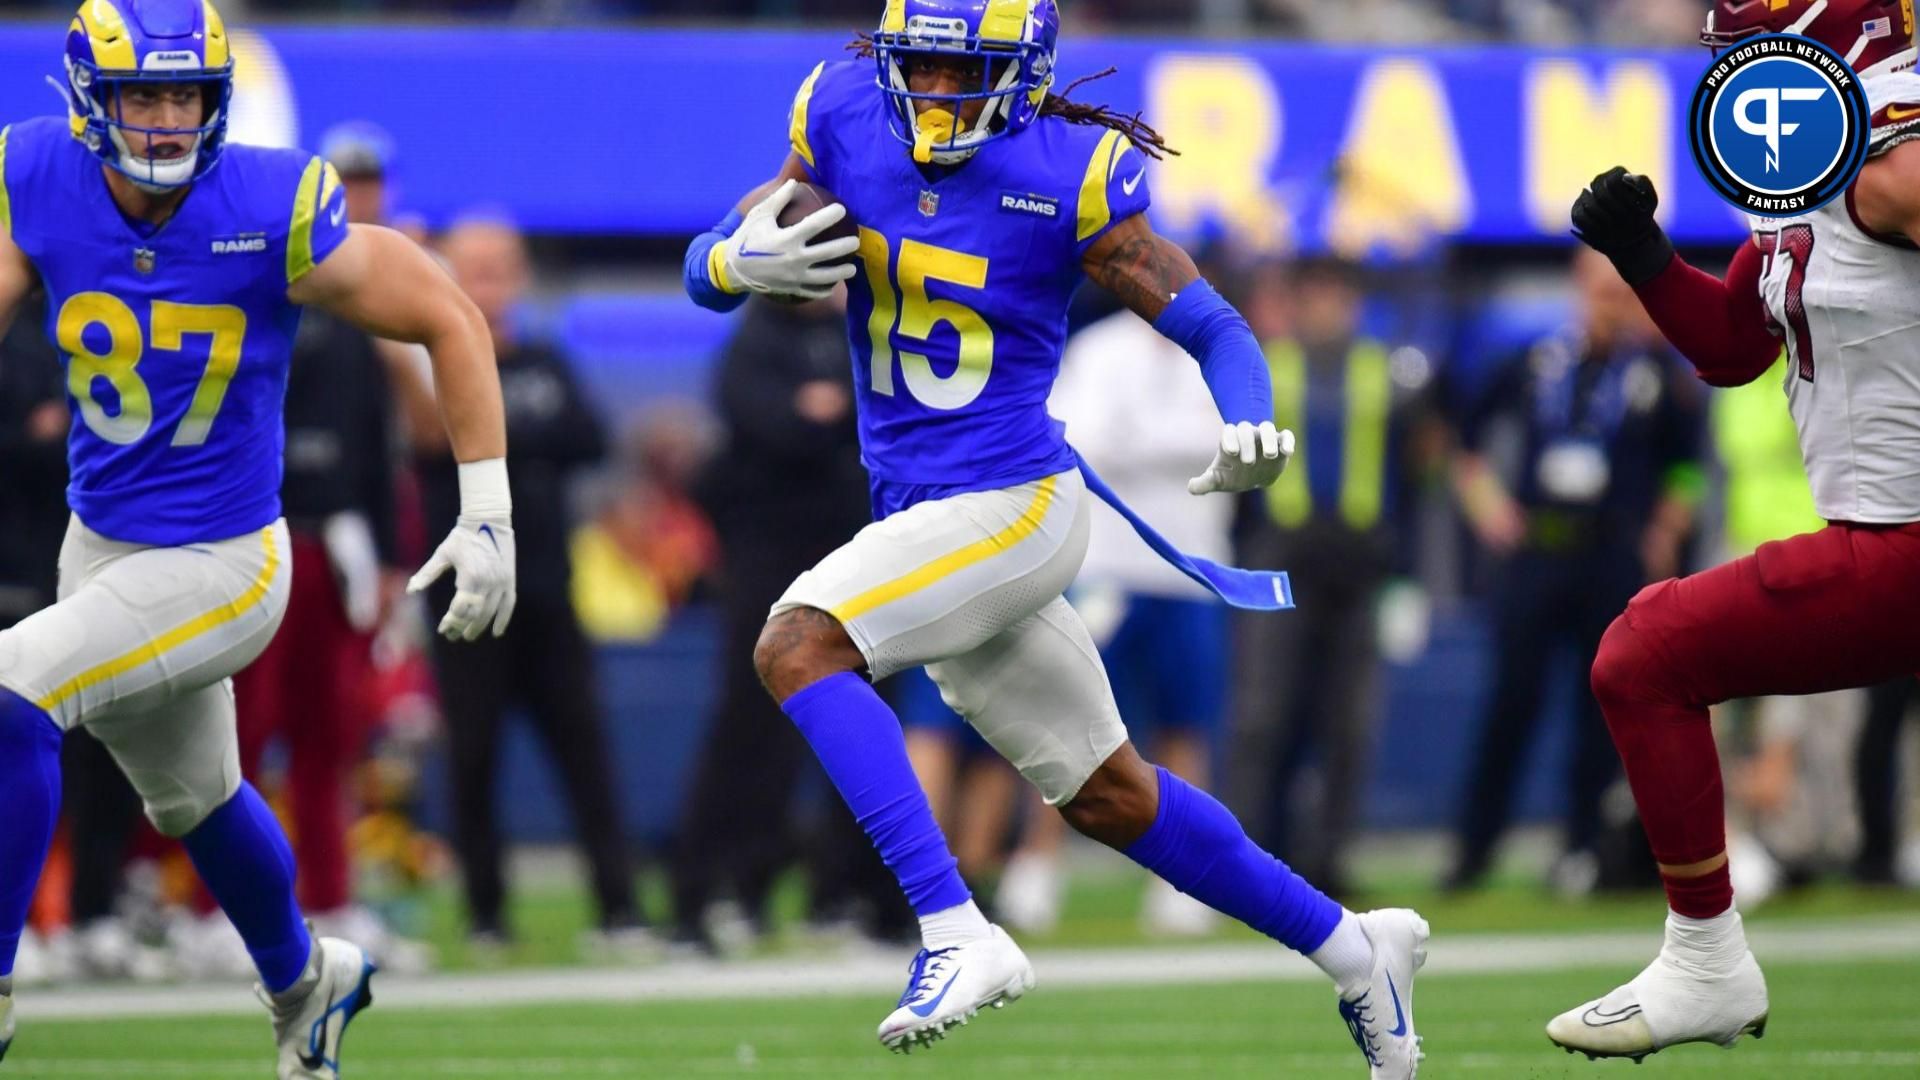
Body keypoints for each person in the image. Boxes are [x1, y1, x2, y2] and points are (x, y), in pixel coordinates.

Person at [683, 3, 1428, 1073]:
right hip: (923, 510)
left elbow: (1210, 321)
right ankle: (1358, 950)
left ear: (1021, 74)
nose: (934, 89)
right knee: (1109, 795)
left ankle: (955, 929)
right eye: (919, 62)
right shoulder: (844, 110)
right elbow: (708, 257)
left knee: (797, 643)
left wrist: (1251, 412)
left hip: (1015, 503)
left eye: (962, 66)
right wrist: (727, 268)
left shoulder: (1067, 171)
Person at [0, 2, 517, 1076]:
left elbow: (447, 316)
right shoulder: (35, 175)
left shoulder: (267, 201)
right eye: (142, 91)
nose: (165, 116)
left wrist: (485, 509)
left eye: (184, 92)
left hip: (225, 563)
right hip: (97, 545)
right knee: (197, 799)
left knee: (12, 692)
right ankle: (305, 983)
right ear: (89, 96)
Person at [1548, 0, 1920, 1060]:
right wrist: (1644, 256)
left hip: (1903, 542)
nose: (1728, 61)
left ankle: (1707, 962)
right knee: (1645, 655)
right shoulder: (1826, 163)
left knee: (1645, 653)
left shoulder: (1892, 161)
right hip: (1885, 542)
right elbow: (1734, 349)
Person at [1446, 247, 1705, 895]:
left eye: (1621, 292)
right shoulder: (1536, 363)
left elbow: (1688, 465)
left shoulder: (1652, 373)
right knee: (1512, 702)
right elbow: (1463, 443)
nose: (1609, 305)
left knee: (1604, 712)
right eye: (1599, 290)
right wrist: (1489, 511)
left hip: (1612, 554)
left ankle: (1583, 849)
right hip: (1539, 550)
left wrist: (1665, 530)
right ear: (1577, 288)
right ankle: (1474, 850)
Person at [421, 215, 648, 956]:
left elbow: (591, 437)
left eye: (498, 269)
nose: (486, 286)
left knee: (586, 752)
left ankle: (618, 908)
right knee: (473, 757)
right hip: (464, 599)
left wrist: (508, 436)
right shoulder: (430, 368)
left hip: (548, 588)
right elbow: (424, 445)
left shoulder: (545, 360)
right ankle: (486, 914)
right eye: (471, 270)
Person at [672, 291, 908, 951]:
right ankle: (712, 891)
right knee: (750, 730)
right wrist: (823, 419)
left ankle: (861, 893)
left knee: (866, 726)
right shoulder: (753, 343)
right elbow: (773, 425)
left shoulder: (859, 333)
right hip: (770, 567)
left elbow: (883, 418)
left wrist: (828, 414)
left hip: (858, 562)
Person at [1229, 256, 1424, 898]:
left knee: (1349, 725)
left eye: (1335, 296)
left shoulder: (1384, 371)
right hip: (1280, 559)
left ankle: (1327, 858)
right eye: (1311, 295)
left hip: (1360, 563)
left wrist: (1406, 574)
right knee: (1264, 716)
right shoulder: (1265, 366)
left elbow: (1412, 475)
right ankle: (1253, 859)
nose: (1323, 309)